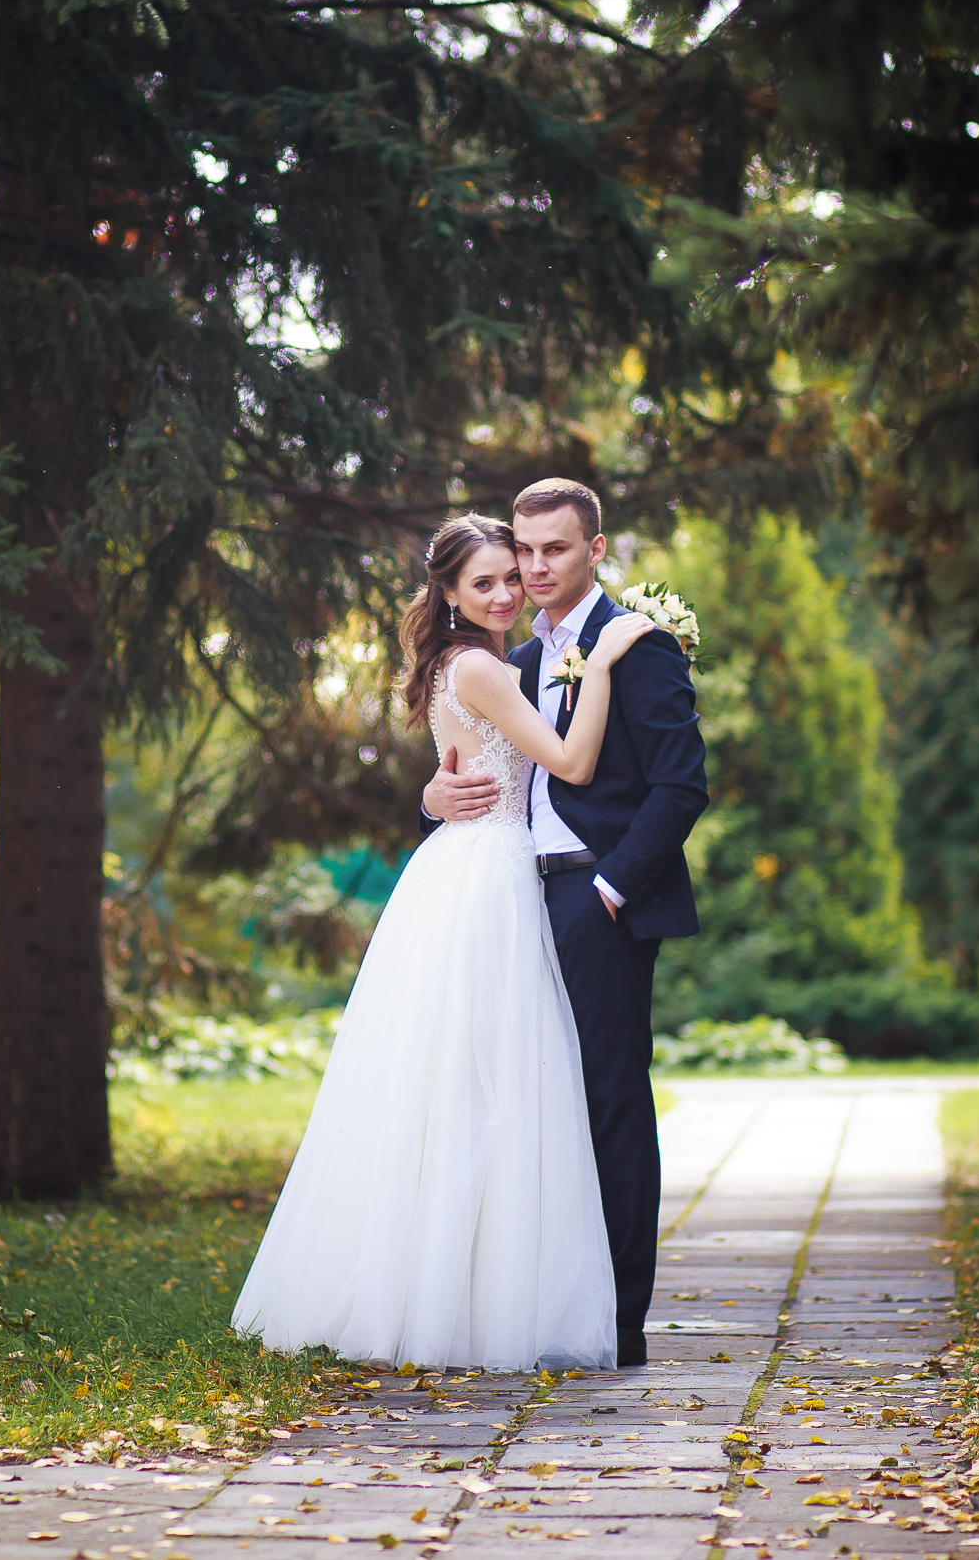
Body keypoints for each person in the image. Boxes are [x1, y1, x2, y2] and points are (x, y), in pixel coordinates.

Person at [229, 513, 657, 1370]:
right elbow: (571, 764)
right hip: (488, 878)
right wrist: (605, 658)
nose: (505, 592)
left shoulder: (465, 666)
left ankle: (459, 1290)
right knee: (496, 1085)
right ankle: (472, 1300)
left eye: (511, 576)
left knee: (459, 1086)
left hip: (465, 867)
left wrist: (432, 796)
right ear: (451, 594)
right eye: (485, 582)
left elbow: (470, 768)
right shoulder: (481, 668)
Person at [420, 479, 708, 1369]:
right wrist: (432, 798)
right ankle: (542, 1301)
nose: (534, 570)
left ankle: (618, 1325)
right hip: (517, 893)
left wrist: (612, 890)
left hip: (597, 899)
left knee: (611, 1101)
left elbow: (680, 786)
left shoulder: (635, 644)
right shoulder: (524, 655)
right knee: (538, 1106)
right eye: (525, 552)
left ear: (597, 548)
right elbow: (498, 768)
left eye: (554, 550)